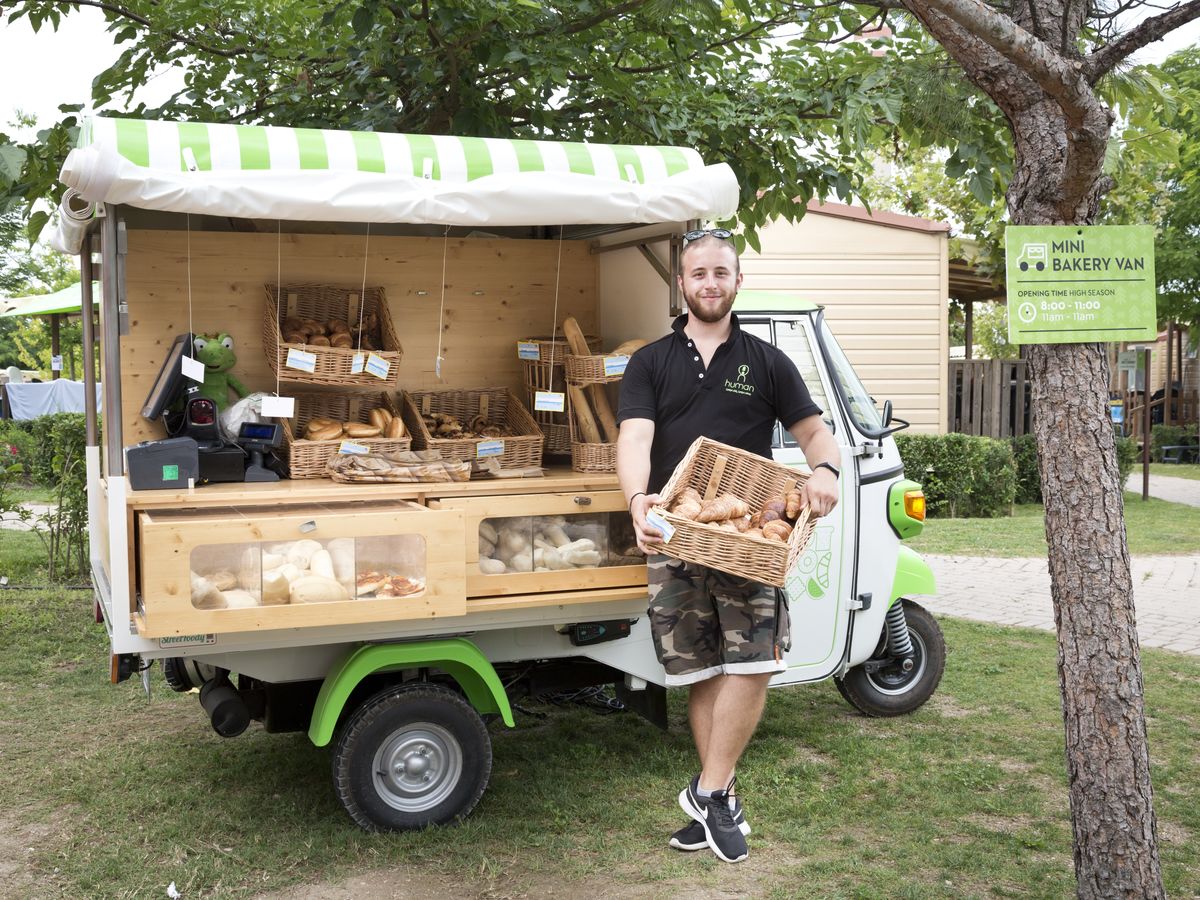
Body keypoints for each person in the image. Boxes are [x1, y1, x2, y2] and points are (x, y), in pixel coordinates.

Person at [615, 228, 840, 864]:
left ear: (738, 282)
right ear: (681, 285)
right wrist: (637, 500)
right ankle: (720, 802)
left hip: (750, 539)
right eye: (698, 274)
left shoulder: (768, 362)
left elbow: (818, 437)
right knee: (701, 669)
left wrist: (823, 473)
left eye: (722, 272)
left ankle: (709, 789)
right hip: (674, 532)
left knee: (756, 660)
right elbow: (634, 439)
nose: (710, 283)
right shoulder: (650, 361)